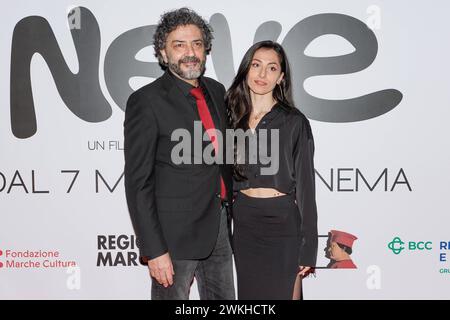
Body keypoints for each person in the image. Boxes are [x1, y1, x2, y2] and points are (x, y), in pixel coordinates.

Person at [123, 8, 235, 300]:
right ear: (163, 52)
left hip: (218, 228)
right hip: (173, 238)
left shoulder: (217, 90)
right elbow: (138, 183)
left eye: (197, 44)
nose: (190, 52)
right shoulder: (145, 102)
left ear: (206, 49)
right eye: (180, 45)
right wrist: (154, 249)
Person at [226, 40, 318, 300]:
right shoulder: (231, 119)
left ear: (281, 78)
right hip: (245, 224)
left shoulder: (294, 121)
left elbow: (307, 188)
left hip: (283, 224)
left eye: (271, 68)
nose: (262, 74)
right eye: (256, 65)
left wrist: (308, 247)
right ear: (246, 70)